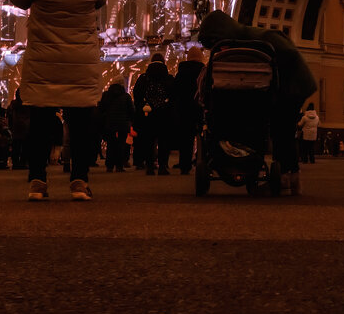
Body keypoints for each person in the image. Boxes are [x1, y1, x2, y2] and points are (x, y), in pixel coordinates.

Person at [8, 0, 107, 201]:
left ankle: (38, 182)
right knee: (80, 128)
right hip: (80, 62)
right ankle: (79, 182)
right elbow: (99, 3)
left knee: (40, 125)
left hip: (44, 61)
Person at [197, 10, 318, 195]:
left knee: (282, 129)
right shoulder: (251, 39)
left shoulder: (259, 40)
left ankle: (287, 179)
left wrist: (277, 85)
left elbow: (288, 56)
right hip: (288, 86)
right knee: (283, 130)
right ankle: (290, 179)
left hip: (294, 85)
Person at [132, 55, 175, 175]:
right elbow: (174, 96)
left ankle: (149, 166)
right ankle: (162, 166)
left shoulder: (144, 78)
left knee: (148, 141)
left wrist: (142, 107)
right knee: (163, 141)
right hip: (164, 114)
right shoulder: (168, 78)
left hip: (148, 114)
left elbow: (137, 95)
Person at [172, 46, 205, 174]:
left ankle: (185, 165)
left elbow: (175, 91)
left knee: (186, 139)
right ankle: (202, 161)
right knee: (203, 137)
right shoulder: (203, 71)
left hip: (184, 110)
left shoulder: (181, 72)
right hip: (200, 108)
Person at [97, 82, 133, 172]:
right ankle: (119, 166)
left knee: (111, 144)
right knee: (121, 144)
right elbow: (131, 110)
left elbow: (101, 109)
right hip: (123, 124)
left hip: (109, 123)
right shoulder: (126, 96)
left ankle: (109, 165)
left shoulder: (106, 95)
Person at [8, 90, 28, 170]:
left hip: (15, 127)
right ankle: (23, 163)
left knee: (16, 146)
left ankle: (15, 163)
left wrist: (10, 127)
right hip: (26, 127)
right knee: (25, 146)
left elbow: (9, 116)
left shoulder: (13, 105)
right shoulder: (27, 104)